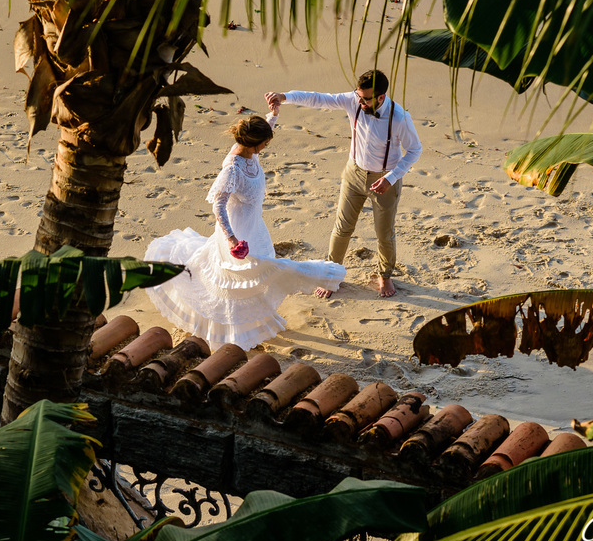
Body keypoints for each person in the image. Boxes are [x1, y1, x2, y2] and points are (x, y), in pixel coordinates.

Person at [144, 114, 345, 351]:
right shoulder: (233, 170)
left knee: (257, 274)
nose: (266, 146)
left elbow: (262, 131)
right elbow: (218, 205)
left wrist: (274, 114)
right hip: (237, 231)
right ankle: (232, 330)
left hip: (254, 226)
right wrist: (231, 240)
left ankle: (255, 318)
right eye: (264, 143)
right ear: (252, 143)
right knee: (237, 280)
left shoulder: (251, 152)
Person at [265, 69, 422, 298]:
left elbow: (415, 150)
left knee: (384, 233)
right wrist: (285, 96)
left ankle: (385, 275)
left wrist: (391, 177)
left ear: (380, 97)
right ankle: (331, 276)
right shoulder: (353, 101)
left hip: (385, 180)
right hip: (353, 174)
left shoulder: (400, 118)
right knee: (342, 228)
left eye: (365, 99)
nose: (360, 101)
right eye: (358, 96)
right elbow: (319, 99)